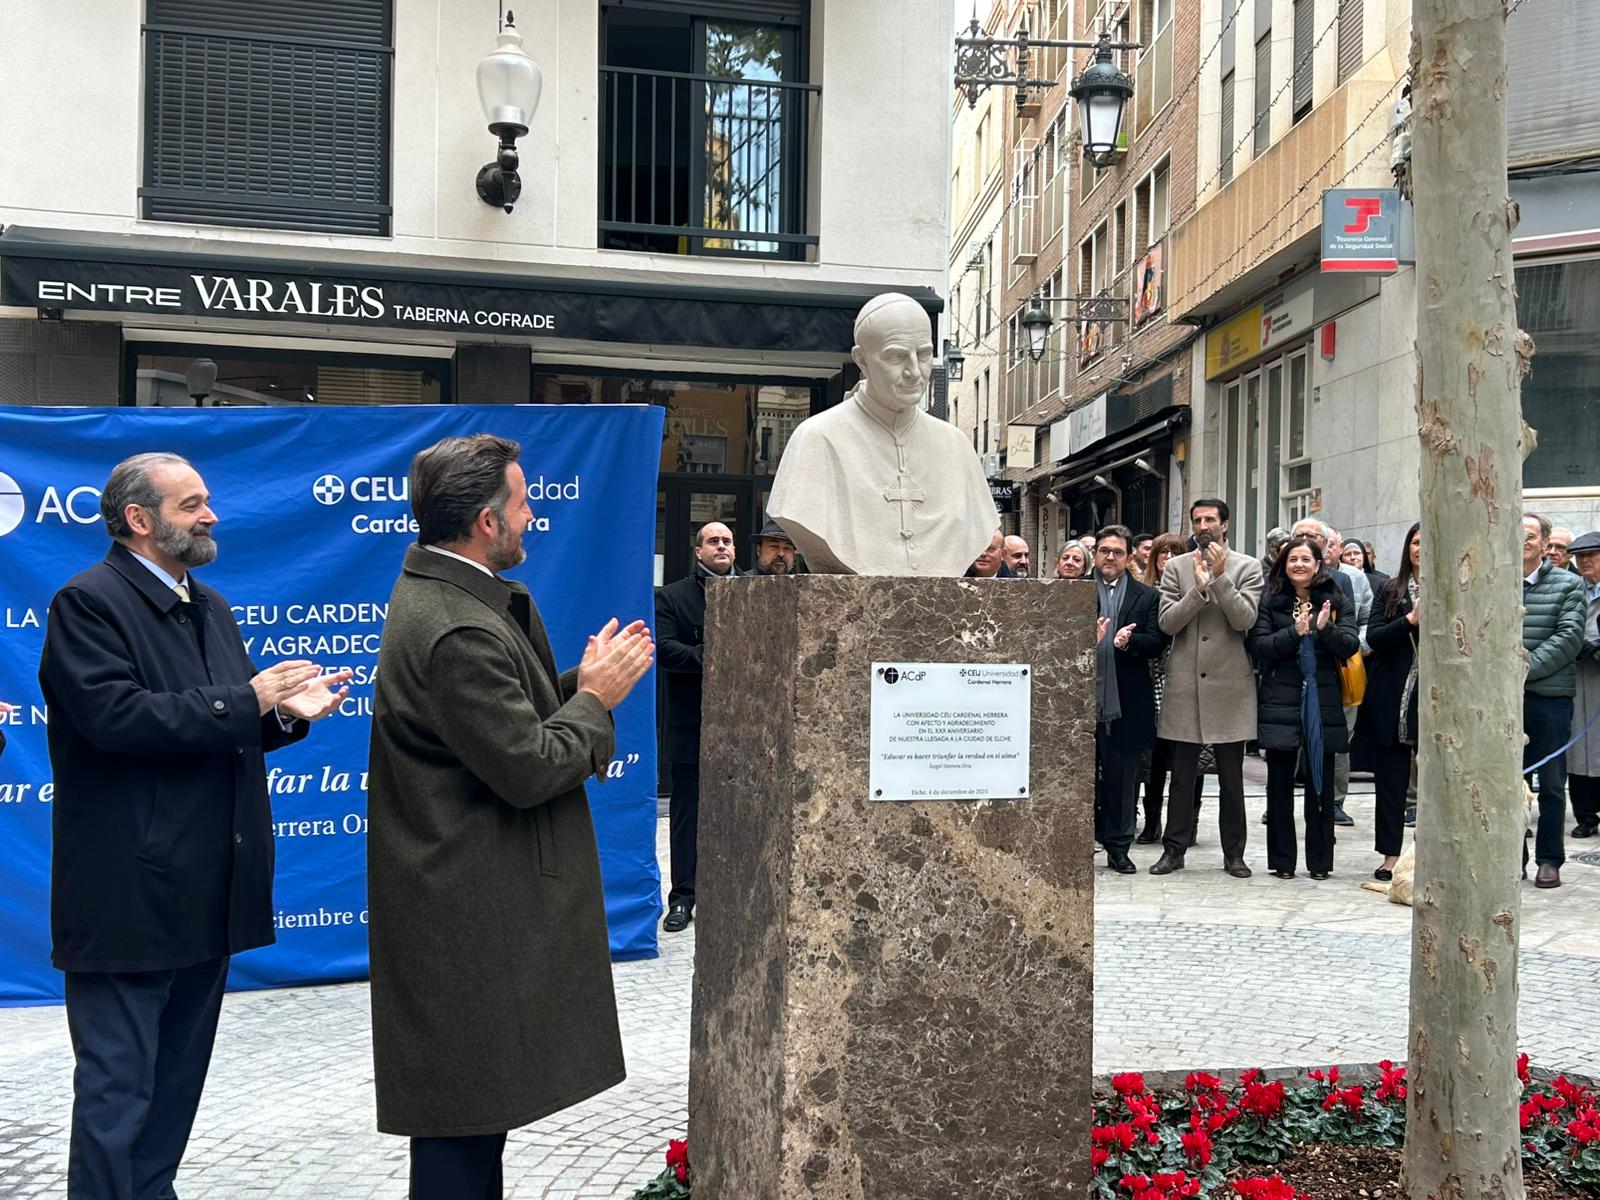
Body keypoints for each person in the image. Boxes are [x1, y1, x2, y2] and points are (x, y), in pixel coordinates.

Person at [38, 452, 350, 1199]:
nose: (211, 515)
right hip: (128, 898)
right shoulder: (88, 602)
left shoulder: (209, 604)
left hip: (206, 891)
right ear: (138, 520)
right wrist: (246, 702)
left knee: (175, 1091)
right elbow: (114, 718)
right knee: (119, 1095)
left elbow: (221, 723)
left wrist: (278, 714)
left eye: (207, 501)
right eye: (191, 504)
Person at [366, 434, 653, 1196]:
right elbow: (526, 766)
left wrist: (583, 685)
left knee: (470, 1117)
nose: (532, 515)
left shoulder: (458, 599)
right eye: (524, 502)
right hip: (466, 910)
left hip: (467, 902)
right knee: (461, 1127)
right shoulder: (456, 624)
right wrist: (595, 699)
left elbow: (501, 721)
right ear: (488, 523)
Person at [765, 292, 998, 576]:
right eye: (896, 357)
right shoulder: (816, 439)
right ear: (862, 360)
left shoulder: (957, 447)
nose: (915, 371)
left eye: (924, 354)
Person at [1152, 499, 1264, 878]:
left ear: (1225, 524)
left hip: (1230, 687)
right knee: (1181, 777)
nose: (1203, 525)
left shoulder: (1247, 566)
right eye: (1197, 520)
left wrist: (1218, 580)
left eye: (1210, 519)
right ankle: (1174, 850)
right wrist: (1197, 592)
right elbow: (1166, 623)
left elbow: (1244, 620)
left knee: (1233, 779)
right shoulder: (1176, 568)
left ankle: (1234, 854)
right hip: (1185, 686)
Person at [1249, 535, 1360, 880]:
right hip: (1280, 695)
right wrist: (1295, 633)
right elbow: (1260, 646)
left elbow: (1351, 644)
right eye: (1292, 559)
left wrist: (1324, 630)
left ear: (1318, 565)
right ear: (1283, 565)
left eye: (1305, 560)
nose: (1299, 565)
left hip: (1322, 697)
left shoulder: (1337, 598)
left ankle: (1320, 861)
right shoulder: (1270, 599)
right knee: (1279, 784)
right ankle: (1283, 862)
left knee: (1320, 784)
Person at [655, 522, 740, 931]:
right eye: (713, 541)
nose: (721, 546)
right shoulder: (672, 597)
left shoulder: (756, 593)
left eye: (727, 541)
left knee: (743, 814)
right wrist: (719, 653)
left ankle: (734, 894)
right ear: (698, 552)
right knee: (687, 813)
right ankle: (683, 898)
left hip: (748, 728)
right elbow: (666, 650)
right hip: (692, 725)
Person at [1089, 525, 1164, 873]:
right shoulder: (1073, 591)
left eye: (1117, 552)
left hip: (1126, 701)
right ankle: (1080, 840)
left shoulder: (1146, 596)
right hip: (1081, 705)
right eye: (1104, 550)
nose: (1110, 557)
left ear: (1129, 557)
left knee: (1122, 780)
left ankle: (1118, 847)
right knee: (1082, 778)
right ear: (1096, 554)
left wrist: (1126, 643)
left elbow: (1156, 642)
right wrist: (1084, 638)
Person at [1522, 512, 1589, 888]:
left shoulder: (1568, 584)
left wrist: (1522, 669)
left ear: (1545, 544)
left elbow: (1568, 638)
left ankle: (1549, 860)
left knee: (1550, 782)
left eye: (1530, 536)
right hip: (1504, 700)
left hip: (1549, 697)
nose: (1522, 542)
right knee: (1508, 783)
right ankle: (1511, 856)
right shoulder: (1495, 581)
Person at [1354, 523, 1421, 880]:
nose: (1420, 549)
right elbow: (1375, 638)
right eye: (1415, 542)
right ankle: (1390, 854)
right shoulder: (1389, 589)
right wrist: (1410, 620)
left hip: (1437, 698)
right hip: (1393, 696)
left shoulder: (1459, 586)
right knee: (1391, 781)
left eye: (1427, 542)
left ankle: (1432, 850)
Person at [1292, 519, 1367, 826]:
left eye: (1313, 537)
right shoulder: (1280, 580)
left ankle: (1334, 800)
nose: (1306, 540)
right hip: (1292, 672)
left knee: (1336, 740)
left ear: (1325, 544)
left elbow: (1358, 619)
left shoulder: (1344, 579)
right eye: (1300, 536)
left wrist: (1350, 641)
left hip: (1332, 669)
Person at [1137, 533, 1191, 844]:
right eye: (1162, 552)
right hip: (1153, 675)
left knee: (1187, 755)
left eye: (1175, 552)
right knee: (1154, 755)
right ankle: (1152, 819)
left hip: (1184, 674)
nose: (1168, 558)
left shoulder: (1192, 589)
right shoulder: (1144, 591)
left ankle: (1188, 821)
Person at [1566, 531, 1600, 838]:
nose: (1584, 561)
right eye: (1580, 556)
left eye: (1592, 555)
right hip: (1577, 678)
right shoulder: (1573, 589)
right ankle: (1585, 814)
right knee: (1579, 750)